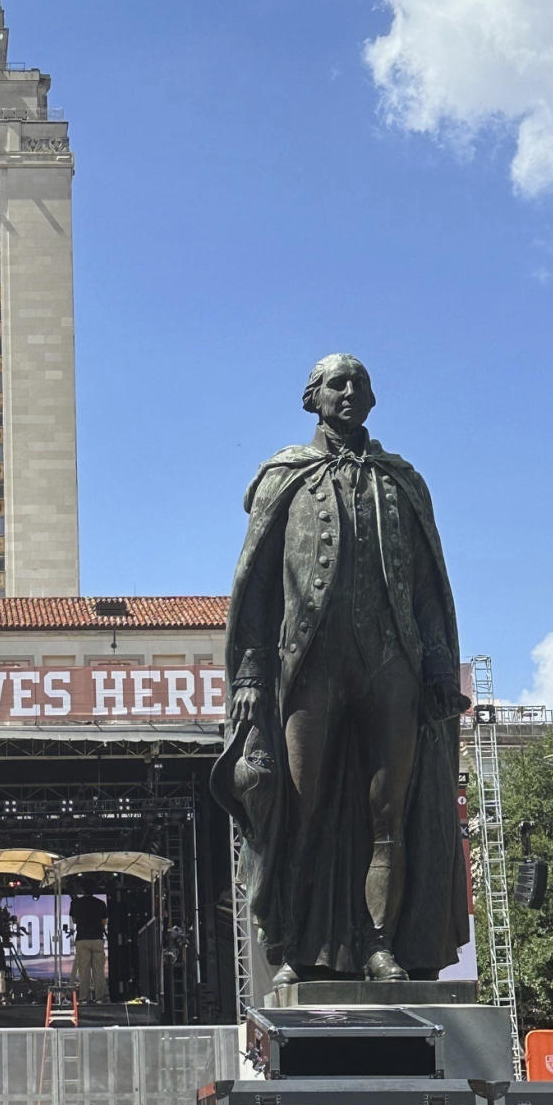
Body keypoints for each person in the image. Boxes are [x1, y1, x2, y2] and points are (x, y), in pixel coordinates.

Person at [210, 354, 469, 985]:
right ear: (313, 399)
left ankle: (381, 946)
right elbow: (258, 588)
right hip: (312, 665)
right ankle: (301, 949)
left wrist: (439, 664)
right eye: (337, 383)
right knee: (302, 806)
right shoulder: (285, 478)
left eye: (359, 383)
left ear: (373, 400)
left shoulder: (401, 480)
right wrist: (249, 675)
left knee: (391, 811)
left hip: (393, 662)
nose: (349, 391)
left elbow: (430, 588)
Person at [68, 884, 108, 1003]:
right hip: (97, 939)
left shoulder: (75, 903)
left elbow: (74, 920)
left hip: (82, 939)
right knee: (98, 971)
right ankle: (99, 998)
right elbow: (104, 921)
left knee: (83, 970)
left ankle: (83, 998)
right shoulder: (101, 903)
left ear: (82, 890)